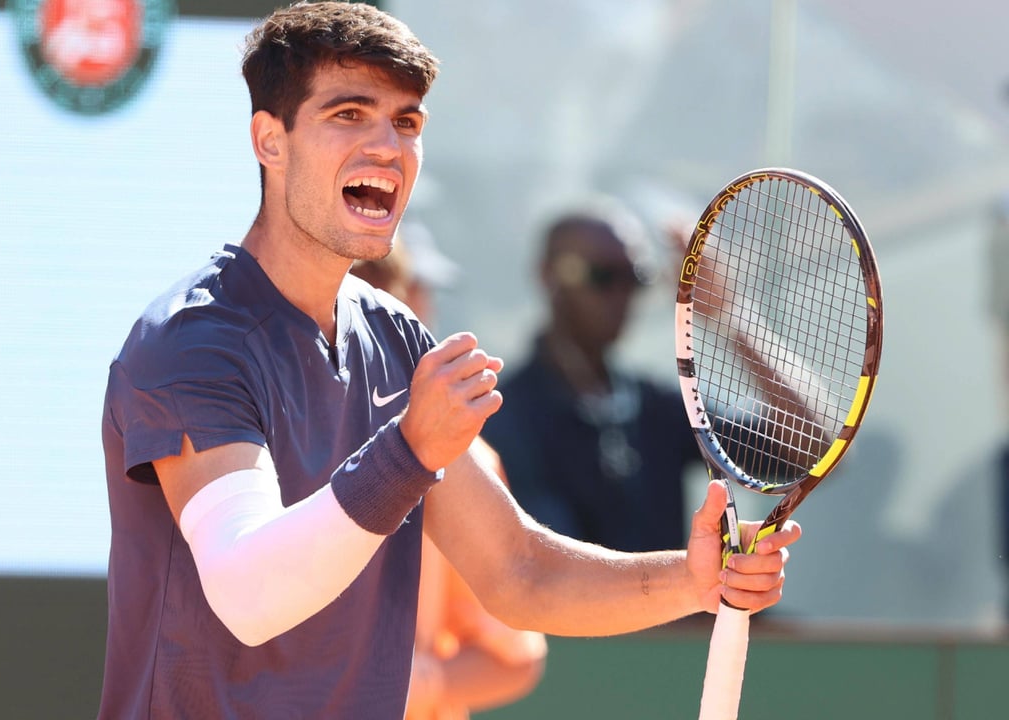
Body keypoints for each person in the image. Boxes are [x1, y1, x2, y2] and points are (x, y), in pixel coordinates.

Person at [97, 4, 800, 719]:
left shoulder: (397, 338)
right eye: (349, 114)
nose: (387, 147)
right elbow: (248, 596)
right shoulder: (189, 344)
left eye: (406, 123)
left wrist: (692, 579)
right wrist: (407, 452)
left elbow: (518, 571)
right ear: (268, 141)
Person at [350, 228, 548, 719]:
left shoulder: (464, 455)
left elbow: (514, 658)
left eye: (413, 293)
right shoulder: (262, 425)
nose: (418, 311)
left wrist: (416, 682)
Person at [482, 203, 702, 553]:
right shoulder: (504, 416)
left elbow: (809, 448)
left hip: (675, 605)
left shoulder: (656, 405)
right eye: (602, 276)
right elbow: (552, 565)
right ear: (548, 275)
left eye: (635, 277)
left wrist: (730, 314)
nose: (622, 295)